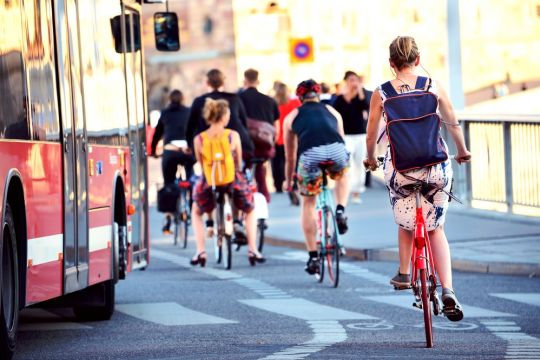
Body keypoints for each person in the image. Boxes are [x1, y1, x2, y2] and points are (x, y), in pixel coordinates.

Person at [363, 36, 471, 321]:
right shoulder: (432, 85)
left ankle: (405, 272)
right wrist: (462, 150)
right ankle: (448, 289)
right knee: (436, 229)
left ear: (391, 64)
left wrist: (371, 157)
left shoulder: (381, 92)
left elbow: (372, 132)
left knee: (405, 220)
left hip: (401, 169)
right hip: (435, 166)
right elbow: (452, 121)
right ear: (418, 60)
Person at [283, 79, 350, 276]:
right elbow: (342, 140)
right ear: (318, 95)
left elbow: (290, 156)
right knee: (342, 174)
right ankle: (340, 209)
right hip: (336, 151)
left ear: (300, 97)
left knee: (308, 203)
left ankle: (313, 256)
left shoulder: (292, 117)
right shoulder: (333, 112)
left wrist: (289, 180)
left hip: (311, 156)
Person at [190, 98, 265, 266]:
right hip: (231, 179)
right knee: (250, 207)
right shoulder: (232, 135)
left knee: (196, 210)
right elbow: (238, 162)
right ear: (224, 116)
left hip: (210, 181)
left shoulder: (199, 139)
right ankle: (253, 249)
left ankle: (200, 251)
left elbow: (200, 163)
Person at [185, 69, 255, 239]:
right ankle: (237, 221)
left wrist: (191, 148)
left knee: (206, 178)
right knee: (237, 178)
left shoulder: (199, 101)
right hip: (236, 145)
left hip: (207, 149)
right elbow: (244, 124)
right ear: (223, 81)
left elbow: (189, 129)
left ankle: (209, 222)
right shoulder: (235, 98)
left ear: (207, 83)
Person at [150, 89, 195, 234]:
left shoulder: (165, 113)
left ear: (169, 99)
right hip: (187, 151)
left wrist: (152, 151)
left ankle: (168, 217)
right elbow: (194, 131)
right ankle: (191, 206)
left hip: (170, 151)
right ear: (183, 99)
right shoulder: (189, 111)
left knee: (169, 183)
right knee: (190, 179)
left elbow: (158, 134)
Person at [238, 68, 280, 202]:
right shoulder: (269, 101)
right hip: (264, 146)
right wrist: (272, 142)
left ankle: (244, 195)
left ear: (244, 81)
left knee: (244, 168)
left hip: (244, 145)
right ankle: (264, 197)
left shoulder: (238, 99)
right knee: (261, 167)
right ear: (258, 81)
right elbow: (276, 126)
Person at [333, 71, 371, 204]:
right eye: (350, 80)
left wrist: (359, 90)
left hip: (360, 135)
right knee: (347, 163)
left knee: (360, 163)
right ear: (346, 81)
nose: (353, 82)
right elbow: (335, 115)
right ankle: (345, 189)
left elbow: (366, 106)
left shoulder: (362, 96)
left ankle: (356, 192)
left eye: (355, 80)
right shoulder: (339, 98)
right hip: (346, 136)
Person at [272, 82, 301, 194]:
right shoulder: (295, 102)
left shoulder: (274, 103)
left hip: (278, 136)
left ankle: (278, 185)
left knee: (277, 162)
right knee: (293, 159)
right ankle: (293, 182)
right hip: (293, 135)